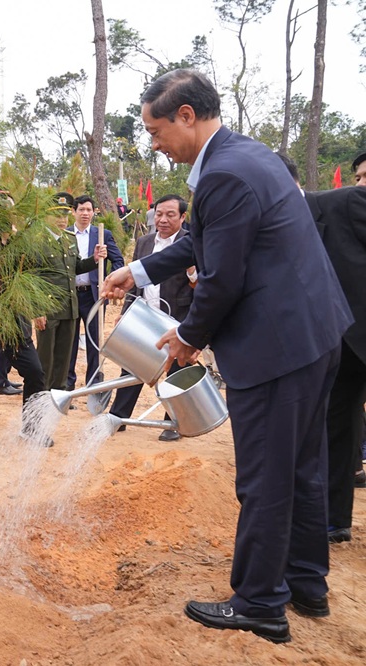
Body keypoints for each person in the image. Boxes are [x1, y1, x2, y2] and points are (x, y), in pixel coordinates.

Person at [101, 69, 351, 643]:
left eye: (156, 129)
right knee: (303, 467)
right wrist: (135, 270)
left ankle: (260, 601)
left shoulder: (225, 174)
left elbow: (222, 277)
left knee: (264, 476)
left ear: (186, 115)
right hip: (314, 335)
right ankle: (306, 584)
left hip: (276, 348)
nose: (154, 142)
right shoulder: (242, 158)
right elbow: (202, 241)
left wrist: (188, 336)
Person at [0, 194, 106, 448]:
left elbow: (39, 275)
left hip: (12, 320)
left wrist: (36, 308)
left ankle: (31, 428)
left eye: (7, 215)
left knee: (34, 372)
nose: (2, 220)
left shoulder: (22, 243)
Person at [303, 184, 366, 543]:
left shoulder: (345, 202)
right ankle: (335, 519)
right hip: (338, 342)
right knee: (338, 428)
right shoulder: (283, 228)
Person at [108, 194, 193, 441]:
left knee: (176, 371)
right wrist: (125, 314)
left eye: (170, 215)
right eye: (159, 214)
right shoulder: (144, 242)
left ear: (183, 217)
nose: (163, 220)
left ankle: (172, 423)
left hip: (177, 318)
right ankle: (117, 417)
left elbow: (201, 286)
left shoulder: (191, 244)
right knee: (132, 365)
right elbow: (134, 282)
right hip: (144, 317)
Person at [33, 191, 101, 392]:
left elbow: (76, 267)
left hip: (69, 308)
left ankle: (59, 394)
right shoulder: (38, 241)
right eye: (57, 215)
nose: (61, 220)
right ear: (47, 216)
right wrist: (37, 310)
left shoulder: (68, 239)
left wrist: (94, 259)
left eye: (64, 215)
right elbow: (33, 279)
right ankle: (41, 396)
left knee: (64, 357)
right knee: (46, 357)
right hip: (48, 308)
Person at [66, 195, 124, 390]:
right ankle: (68, 385)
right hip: (71, 297)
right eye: (81, 209)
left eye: (89, 210)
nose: (85, 213)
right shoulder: (65, 235)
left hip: (94, 296)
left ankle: (94, 386)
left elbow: (118, 261)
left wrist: (111, 280)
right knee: (69, 343)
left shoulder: (102, 235)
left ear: (93, 212)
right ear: (74, 211)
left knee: (94, 342)